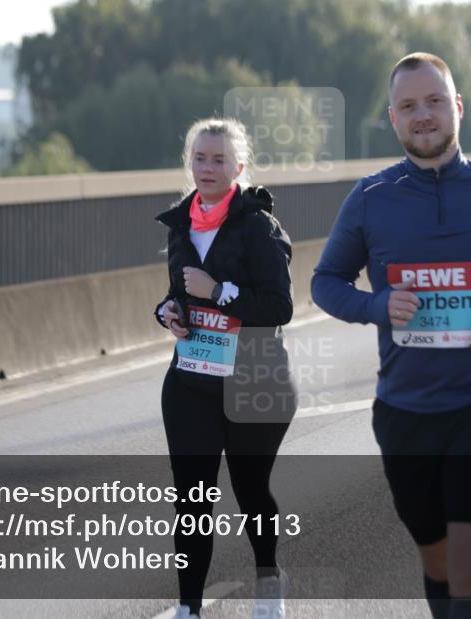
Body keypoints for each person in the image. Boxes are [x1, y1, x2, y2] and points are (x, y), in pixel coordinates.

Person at [311, 52, 471, 619]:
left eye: (433, 102)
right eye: (408, 106)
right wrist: (378, 305)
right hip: (404, 413)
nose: (422, 115)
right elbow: (324, 282)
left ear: (457, 108)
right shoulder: (370, 198)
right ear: (393, 118)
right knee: (440, 565)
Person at [154, 118, 295, 619]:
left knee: (251, 491)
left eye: (219, 160)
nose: (207, 167)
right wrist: (167, 312)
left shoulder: (258, 226)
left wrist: (218, 292)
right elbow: (178, 293)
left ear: (239, 167)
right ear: (189, 164)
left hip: (254, 379)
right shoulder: (180, 225)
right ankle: (189, 606)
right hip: (191, 382)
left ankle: (269, 581)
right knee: (192, 498)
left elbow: (279, 307)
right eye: (199, 158)